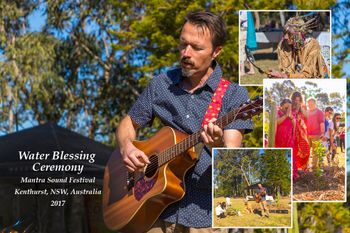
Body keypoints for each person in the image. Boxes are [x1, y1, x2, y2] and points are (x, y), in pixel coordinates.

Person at [116, 11, 253, 233]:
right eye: (183, 44)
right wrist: (126, 147)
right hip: (154, 210)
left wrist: (214, 144)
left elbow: (232, 156)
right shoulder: (161, 84)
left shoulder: (234, 96)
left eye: (196, 48)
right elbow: (128, 124)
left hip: (204, 216)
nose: (186, 53)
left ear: (216, 52)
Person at [290, 92, 309, 180]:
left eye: (299, 100)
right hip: (292, 132)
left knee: (305, 149)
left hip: (302, 133)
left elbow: (306, 116)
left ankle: (304, 168)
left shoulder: (303, 107)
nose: (297, 101)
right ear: (293, 99)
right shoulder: (290, 107)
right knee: (294, 151)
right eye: (295, 99)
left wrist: (300, 107)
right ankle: (295, 171)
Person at [306, 98, 325, 170]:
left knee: (315, 151)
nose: (310, 105)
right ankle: (306, 165)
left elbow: (322, 123)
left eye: (312, 104)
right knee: (306, 151)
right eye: (309, 104)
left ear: (315, 104)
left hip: (316, 135)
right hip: (307, 135)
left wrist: (322, 133)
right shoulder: (307, 112)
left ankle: (314, 166)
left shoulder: (319, 112)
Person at [240, 10, 256, 76]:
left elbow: (239, 21)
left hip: (243, 31)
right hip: (247, 32)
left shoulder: (243, 11)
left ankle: (242, 71)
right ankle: (252, 69)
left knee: (241, 51)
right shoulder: (247, 11)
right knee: (248, 51)